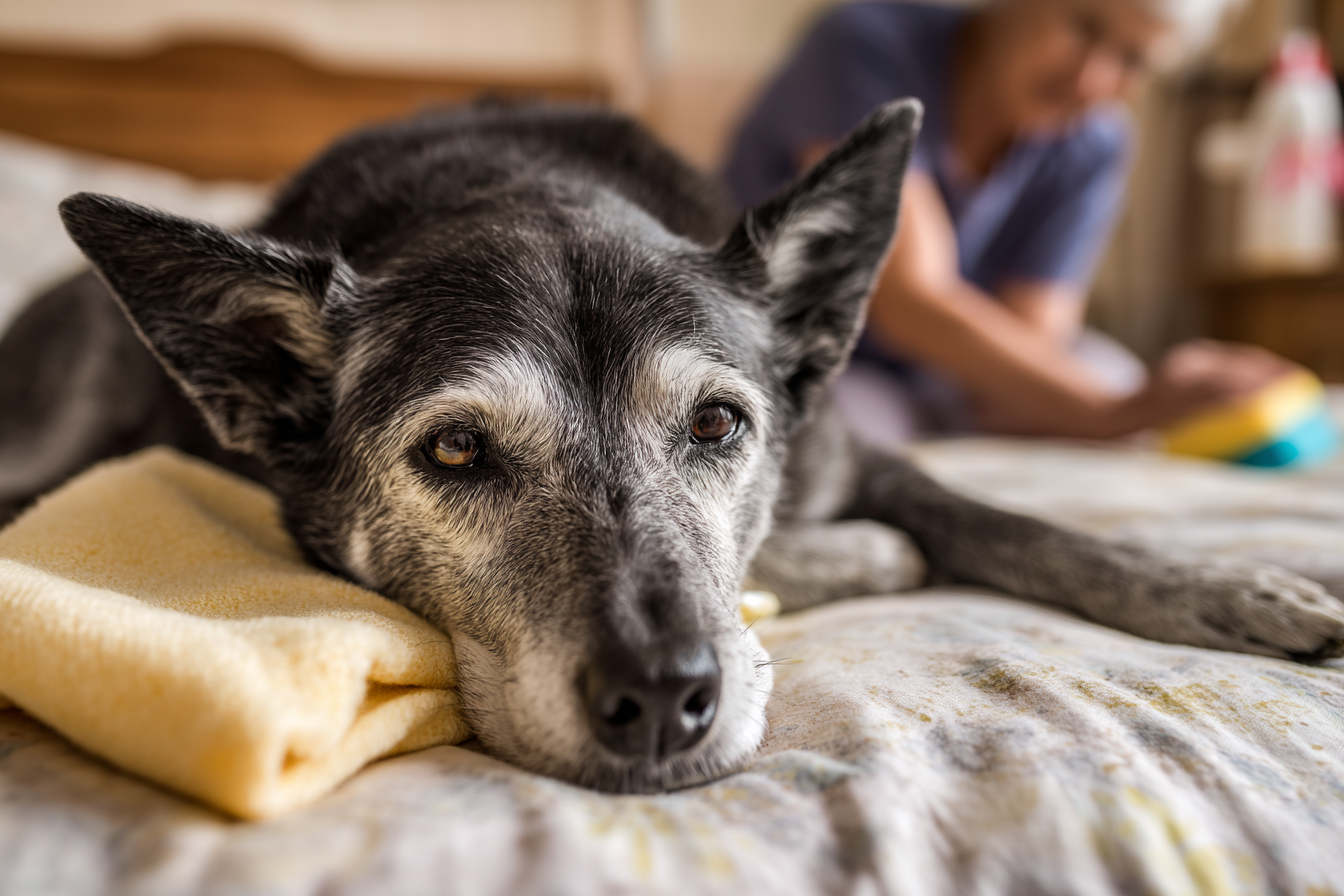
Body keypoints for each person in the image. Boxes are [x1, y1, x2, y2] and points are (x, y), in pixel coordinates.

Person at [725, 0, 1295, 445]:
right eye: (1085, 27)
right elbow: (909, 302)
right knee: (837, 430)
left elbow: (1036, 337)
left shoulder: (1095, 140)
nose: (1090, 80)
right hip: (801, 353)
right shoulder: (863, 44)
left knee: (1112, 374)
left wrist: (1156, 397)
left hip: (947, 377)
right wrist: (1117, 413)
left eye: (1133, 61)